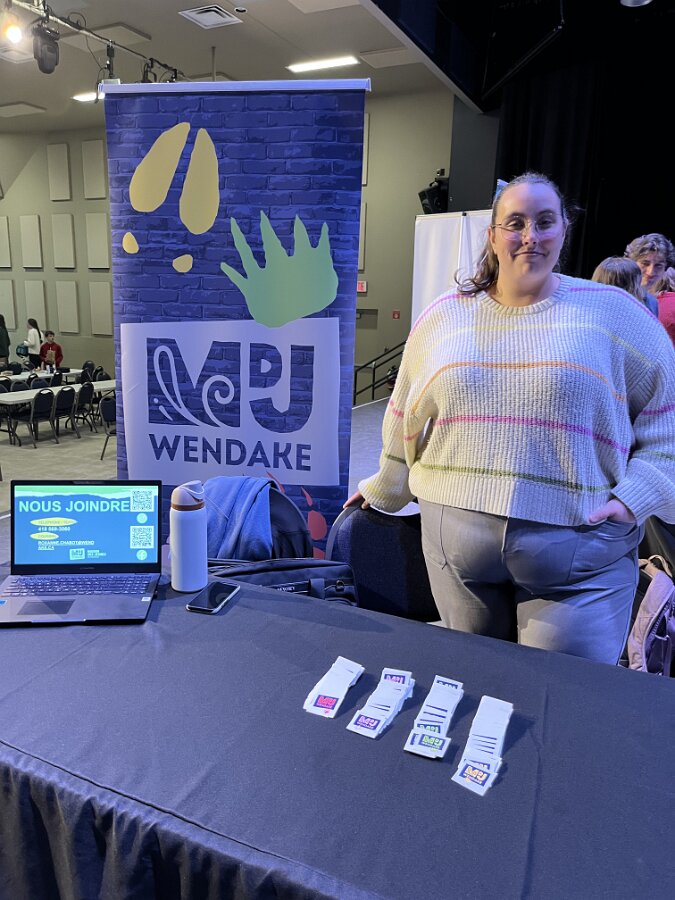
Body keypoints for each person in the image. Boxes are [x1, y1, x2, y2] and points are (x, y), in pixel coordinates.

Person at [346, 172, 675, 665]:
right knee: (473, 683)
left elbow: (667, 422)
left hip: (577, 550)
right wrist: (385, 487)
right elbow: (405, 415)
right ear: (493, 234)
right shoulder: (445, 315)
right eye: (515, 222)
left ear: (564, 229)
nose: (530, 236)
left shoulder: (616, 314)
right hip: (457, 545)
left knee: (563, 696)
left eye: (545, 221)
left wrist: (636, 499)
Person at [624, 232, 674, 315]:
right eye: (645, 263)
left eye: (658, 265)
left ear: (665, 268)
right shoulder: (618, 293)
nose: (651, 272)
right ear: (632, 263)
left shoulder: (653, 302)